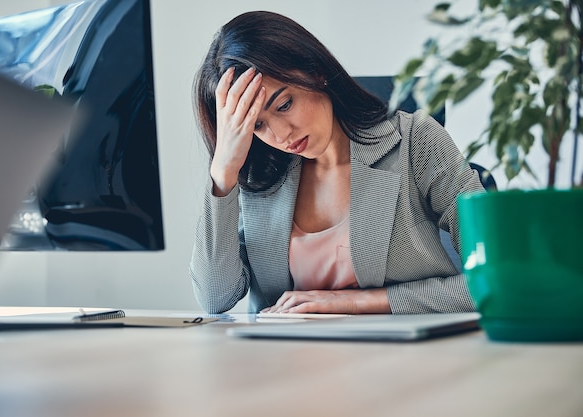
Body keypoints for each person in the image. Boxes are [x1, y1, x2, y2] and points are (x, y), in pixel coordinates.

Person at [189, 10, 485, 315]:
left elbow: (503, 277)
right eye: (257, 125)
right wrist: (223, 172)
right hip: (283, 357)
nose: (280, 134)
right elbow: (215, 298)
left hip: (400, 354)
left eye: (284, 104)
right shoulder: (257, 176)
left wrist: (356, 302)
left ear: (316, 72)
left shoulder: (415, 141)